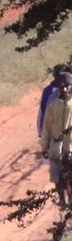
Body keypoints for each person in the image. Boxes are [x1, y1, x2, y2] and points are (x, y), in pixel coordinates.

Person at [42, 65, 72, 209]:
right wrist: (44, 146)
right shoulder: (53, 105)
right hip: (56, 149)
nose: (64, 89)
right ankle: (63, 200)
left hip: (70, 149)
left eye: (67, 86)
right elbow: (46, 127)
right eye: (62, 86)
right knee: (57, 177)